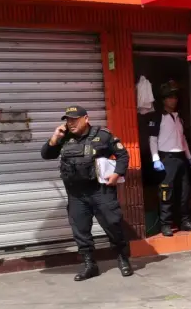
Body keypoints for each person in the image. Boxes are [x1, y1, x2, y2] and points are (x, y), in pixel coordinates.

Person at [41, 105, 132, 281]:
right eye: (68, 120)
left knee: (113, 224)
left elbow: (122, 155)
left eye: (74, 120)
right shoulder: (63, 137)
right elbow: (46, 154)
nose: (71, 123)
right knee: (80, 230)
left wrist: (117, 173)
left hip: (100, 191)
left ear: (86, 119)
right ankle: (90, 265)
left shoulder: (103, 135)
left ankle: (122, 258)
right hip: (76, 194)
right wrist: (54, 138)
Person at [147, 81, 191, 237]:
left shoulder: (179, 117)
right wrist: (155, 158)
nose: (173, 100)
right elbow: (152, 139)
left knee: (184, 191)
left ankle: (184, 221)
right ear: (163, 100)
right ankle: (166, 224)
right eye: (170, 97)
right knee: (166, 192)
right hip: (166, 158)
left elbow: (183, 139)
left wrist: (189, 157)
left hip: (180, 157)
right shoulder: (158, 117)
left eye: (175, 97)